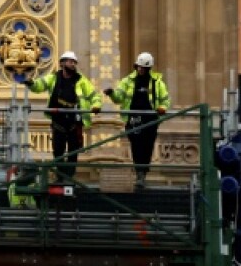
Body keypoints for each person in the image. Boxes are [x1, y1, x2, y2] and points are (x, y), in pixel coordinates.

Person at [23, 50, 102, 182]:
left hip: (74, 122)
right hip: (58, 122)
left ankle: (69, 177)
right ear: (62, 63)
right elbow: (40, 85)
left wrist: (96, 105)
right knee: (58, 151)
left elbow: (94, 95)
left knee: (73, 152)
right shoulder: (54, 78)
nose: (73, 64)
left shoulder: (81, 80)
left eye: (74, 62)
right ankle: (60, 177)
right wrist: (31, 83)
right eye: (70, 62)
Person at [104, 52, 171, 189]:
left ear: (148, 68)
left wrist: (163, 108)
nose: (139, 69)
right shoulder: (128, 81)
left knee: (147, 147)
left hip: (150, 119)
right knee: (136, 145)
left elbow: (165, 99)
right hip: (133, 118)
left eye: (142, 67)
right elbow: (119, 98)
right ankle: (139, 172)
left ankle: (143, 173)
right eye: (138, 66)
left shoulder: (157, 82)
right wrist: (112, 94)